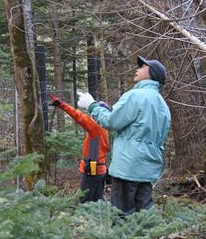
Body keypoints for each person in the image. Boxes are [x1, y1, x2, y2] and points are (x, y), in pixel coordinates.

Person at [77, 56, 171, 215]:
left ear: (150, 72)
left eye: (142, 67)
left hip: (128, 166)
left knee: (121, 217)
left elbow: (111, 121)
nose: (137, 69)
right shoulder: (162, 104)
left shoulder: (135, 96)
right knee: (144, 216)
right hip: (149, 168)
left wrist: (91, 105)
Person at [49, 93, 110, 203]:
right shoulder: (104, 129)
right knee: (97, 200)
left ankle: (82, 219)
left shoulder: (96, 127)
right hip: (100, 170)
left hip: (92, 170)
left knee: (84, 200)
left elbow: (79, 116)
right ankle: (101, 219)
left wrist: (61, 104)